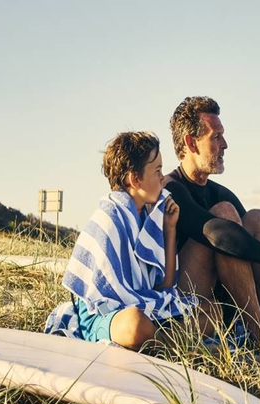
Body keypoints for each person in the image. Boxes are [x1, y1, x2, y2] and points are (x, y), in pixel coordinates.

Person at [164, 96, 260, 352]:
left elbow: (257, 234)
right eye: (216, 137)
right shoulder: (170, 188)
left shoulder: (218, 192)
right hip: (187, 301)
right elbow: (220, 235)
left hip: (223, 296)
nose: (225, 145)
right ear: (191, 142)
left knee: (258, 217)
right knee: (225, 217)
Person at [45, 131, 191, 351]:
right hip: (103, 317)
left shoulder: (150, 218)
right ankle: (172, 342)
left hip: (147, 309)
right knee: (135, 325)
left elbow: (165, 286)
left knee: (210, 312)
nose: (163, 178)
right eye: (158, 170)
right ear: (135, 179)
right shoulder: (108, 218)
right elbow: (105, 301)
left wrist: (170, 229)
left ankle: (161, 341)